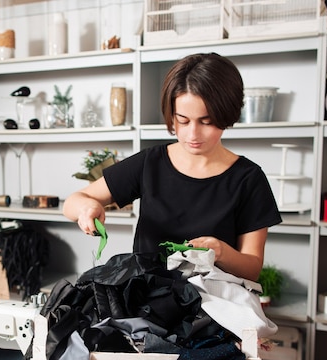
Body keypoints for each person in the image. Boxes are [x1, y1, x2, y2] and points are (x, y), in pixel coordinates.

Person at [63, 53, 282, 282]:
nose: (193, 134)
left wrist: (220, 251)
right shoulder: (151, 163)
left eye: (206, 122)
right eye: (183, 120)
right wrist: (87, 208)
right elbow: (73, 202)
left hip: (214, 304)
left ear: (227, 113)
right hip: (147, 301)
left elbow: (252, 269)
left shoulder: (247, 178)